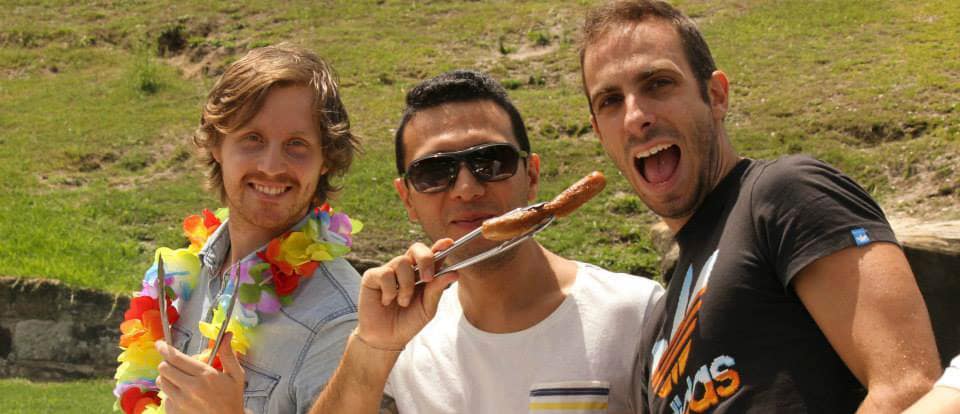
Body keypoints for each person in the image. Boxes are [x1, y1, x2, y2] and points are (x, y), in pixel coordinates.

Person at [578, 1, 941, 412]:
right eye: (610, 100)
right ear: (598, 133)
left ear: (715, 96)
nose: (635, 117)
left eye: (658, 83)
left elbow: (907, 389)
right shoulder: (658, 332)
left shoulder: (785, 195)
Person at [310, 69, 663, 413]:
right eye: (434, 172)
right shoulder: (404, 343)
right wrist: (371, 347)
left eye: (492, 162)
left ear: (533, 176)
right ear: (407, 199)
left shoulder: (636, 313)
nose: (467, 189)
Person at [112, 44, 362, 414]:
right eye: (253, 138)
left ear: (326, 160)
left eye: (297, 144)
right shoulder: (180, 279)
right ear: (216, 144)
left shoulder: (340, 320)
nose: (272, 166)